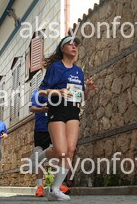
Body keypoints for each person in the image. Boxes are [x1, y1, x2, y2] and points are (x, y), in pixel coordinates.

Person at [36, 36, 96, 201]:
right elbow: (41, 92)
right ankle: (40, 156)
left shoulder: (78, 71)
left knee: (70, 150)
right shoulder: (56, 67)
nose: (74, 47)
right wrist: (58, 92)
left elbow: (82, 97)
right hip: (57, 109)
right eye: (70, 44)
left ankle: (54, 190)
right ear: (63, 49)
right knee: (60, 151)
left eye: (75, 45)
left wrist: (87, 89)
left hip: (73, 111)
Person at [29, 88, 69, 197]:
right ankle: (40, 187)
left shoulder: (58, 92)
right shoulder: (37, 93)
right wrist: (43, 110)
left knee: (58, 154)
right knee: (39, 155)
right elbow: (31, 108)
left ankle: (58, 184)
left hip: (56, 126)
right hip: (41, 129)